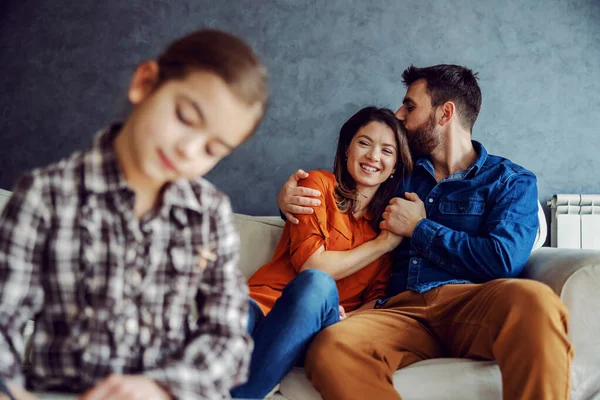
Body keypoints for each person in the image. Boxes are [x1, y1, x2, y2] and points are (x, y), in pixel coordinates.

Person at [0, 29, 268, 400]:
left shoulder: (210, 213)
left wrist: (162, 388)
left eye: (212, 148)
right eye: (185, 117)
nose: (189, 150)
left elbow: (227, 339)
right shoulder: (45, 196)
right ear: (145, 83)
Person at [277, 65, 573, 400]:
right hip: (399, 309)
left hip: (473, 304)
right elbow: (342, 206)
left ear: (445, 113)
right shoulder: (396, 174)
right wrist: (288, 201)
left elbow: (503, 260)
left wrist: (420, 229)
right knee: (332, 346)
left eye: (410, 106)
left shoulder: (509, 180)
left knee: (536, 303)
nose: (399, 115)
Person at [231, 107, 413, 398]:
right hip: (260, 303)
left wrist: (348, 319)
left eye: (387, 151)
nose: (373, 157)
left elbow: (375, 300)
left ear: (394, 167)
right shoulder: (316, 185)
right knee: (229, 317)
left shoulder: (388, 226)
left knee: (317, 286)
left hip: (313, 328)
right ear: (346, 150)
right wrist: (381, 245)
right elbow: (312, 263)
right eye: (364, 143)